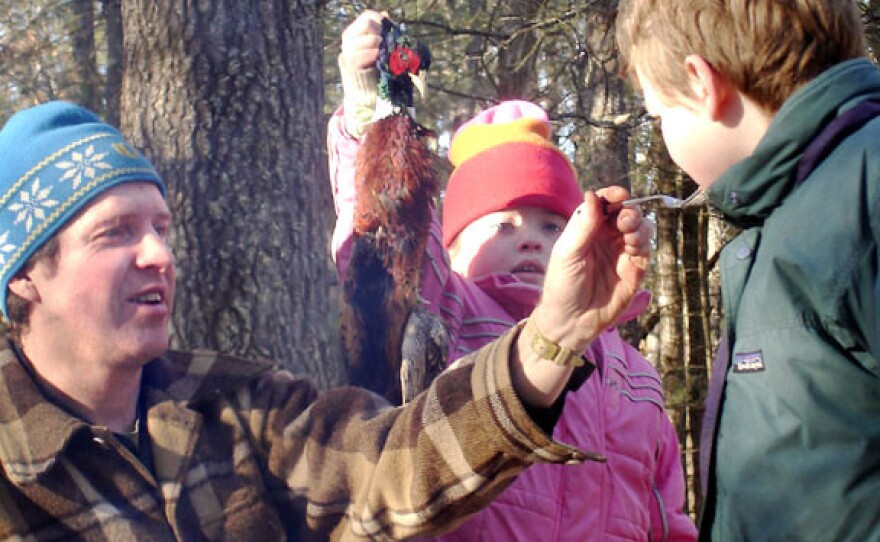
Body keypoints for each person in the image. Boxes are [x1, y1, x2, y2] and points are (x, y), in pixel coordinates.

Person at [0, 100, 650, 541]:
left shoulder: (237, 406)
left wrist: (558, 332)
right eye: (115, 233)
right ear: (24, 272)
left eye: (161, 229)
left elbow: (399, 465)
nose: (158, 255)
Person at [328, 10, 696, 541]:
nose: (530, 240)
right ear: (453, 248)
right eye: (503, 225)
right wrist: (372, 108)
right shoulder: (452, 312)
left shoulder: (633, 374)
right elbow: (386, 227)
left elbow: (665, 512)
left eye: (552, 226)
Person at [615, 1, 880, 541]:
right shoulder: (791, 213)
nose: (663, 134)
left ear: (701, 83)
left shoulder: (863, 188)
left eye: (659, 116)